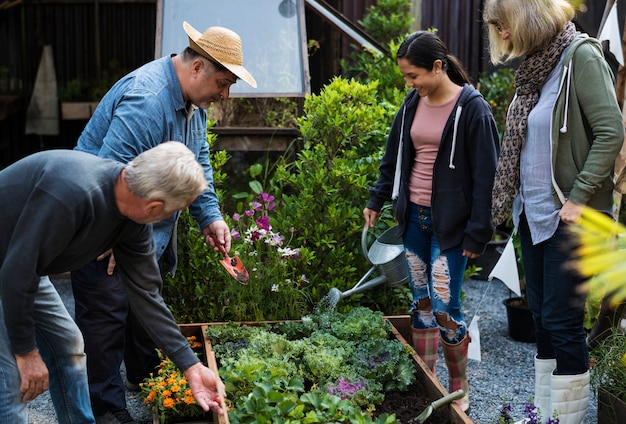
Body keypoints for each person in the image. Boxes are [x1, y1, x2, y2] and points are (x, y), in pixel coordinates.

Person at [71, 21, 256, 424]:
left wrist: (210, 216)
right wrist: (113, 237)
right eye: (223, 82)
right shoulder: (147, 101)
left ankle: (146, 378)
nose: (225, 94)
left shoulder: (194, 105)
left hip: (140, 231)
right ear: (197, 69)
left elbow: (198, 161)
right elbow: (107, 175)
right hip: (101, 230)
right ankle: (108, 412)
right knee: (104, 320)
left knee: (143, 306)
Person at [0, 142, 226, 424]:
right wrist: (26, 353)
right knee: (11, 382)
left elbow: (147, 296)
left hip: (21, 264)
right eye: (173, 212)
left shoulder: (133, 222)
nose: (168, 218)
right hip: (10, 266)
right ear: (155, 205)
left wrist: (191, 366)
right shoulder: (74, 193)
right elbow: (15, 274)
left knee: (68, 345)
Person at [483, 1, 624, 423]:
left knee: (563, 322)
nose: (498, 32)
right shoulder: (534, 68)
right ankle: (544, 414)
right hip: (534, 214)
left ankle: (567, 419)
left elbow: (612, 130)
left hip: (571, 216)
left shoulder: (579, 55)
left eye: (502, 22)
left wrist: (578, 198)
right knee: (542, 320)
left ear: (527, 15)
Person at [363, 31, 500, 413]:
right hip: (414, 223)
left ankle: (458, 387)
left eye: (413, 76)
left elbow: (487, 178)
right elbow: (393, 157)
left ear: (437, 67)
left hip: (450, 228)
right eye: (406, 77)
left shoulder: (473, 109)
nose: (409, 84)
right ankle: (428, 380)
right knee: (421, 303)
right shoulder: (411, 103)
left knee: (444, 307)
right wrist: (377, 199)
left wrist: (479, 232)